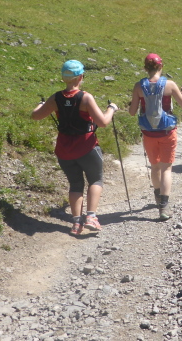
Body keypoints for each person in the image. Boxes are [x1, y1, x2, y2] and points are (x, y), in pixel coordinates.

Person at [31, 60, 119, 236]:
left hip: (64, 150)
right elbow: (103, 122)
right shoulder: (85, 97)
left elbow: (35, 116)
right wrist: (111, 109)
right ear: (81, 77)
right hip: (87, 147)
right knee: (95, 180)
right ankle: (91, 217)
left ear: (63, 77)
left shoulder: (55, 98)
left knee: (75, 184)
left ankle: (77, 223)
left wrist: (41, 104)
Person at [128, 53, 182, 221]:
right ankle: (163, 206)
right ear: (161, 66)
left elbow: (132, 112)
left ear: (145, 68)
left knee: (155, 167)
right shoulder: (169, 85)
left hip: (148, 133)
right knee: (166, 169)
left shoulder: (138, 86)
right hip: (167, 132)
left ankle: (157, 195)